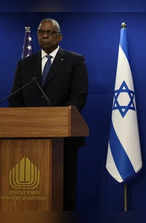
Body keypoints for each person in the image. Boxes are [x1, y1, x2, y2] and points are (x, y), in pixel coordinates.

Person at [9, 18, 88, 211]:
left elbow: (79, 96)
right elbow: (15, 98)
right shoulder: (25, 64)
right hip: (27, 139)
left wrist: (57, 120)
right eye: (41, 31)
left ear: (59, 37)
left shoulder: (75, 61)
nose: (44, 35)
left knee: (62, 190)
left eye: (50, 32)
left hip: (63, 139)